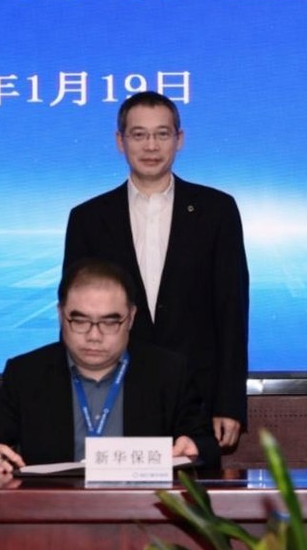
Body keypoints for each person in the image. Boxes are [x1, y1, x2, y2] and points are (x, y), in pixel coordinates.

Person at [63, 91, 249, 450]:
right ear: (120, 141)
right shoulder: (88, 218)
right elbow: (73, 317)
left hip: (196, 399)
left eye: (162, 134)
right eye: (139, 134)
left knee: (192, 487)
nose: (151, 146)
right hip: (111, 396)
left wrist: (229, 403)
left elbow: (232, 311)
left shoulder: (217, 211)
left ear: (180, 139)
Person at [0, 258, 219, 473]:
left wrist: (194, 447)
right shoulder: (28, 374)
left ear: (130, 318)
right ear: (61, 315)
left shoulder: (167, 371)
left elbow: (207, 446)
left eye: (109, 322)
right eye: (80, 321)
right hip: (53, 513)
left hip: (142, 512)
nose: (93, 335)